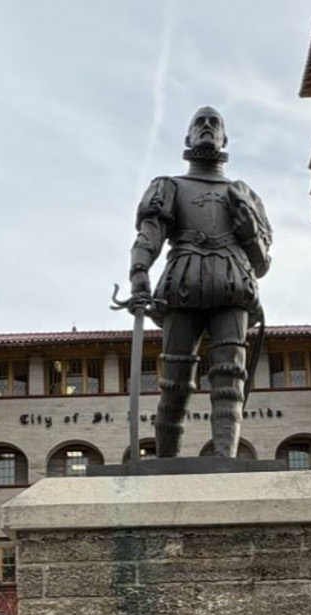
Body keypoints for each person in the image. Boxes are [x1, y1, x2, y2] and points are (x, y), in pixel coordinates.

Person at [128, 105, 272, 457]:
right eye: (199, 122)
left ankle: (226, 460)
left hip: (232, 282)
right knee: (174, 380)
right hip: (183, 282)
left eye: (214, 123)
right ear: (188, 137)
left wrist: (250, 234)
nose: (207, 128)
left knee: (229, 377)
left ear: (224, 138)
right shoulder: (170, 186)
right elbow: (151, 234)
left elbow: (263, 261)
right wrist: (139, 273)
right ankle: (166, 462)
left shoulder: (245, 194)